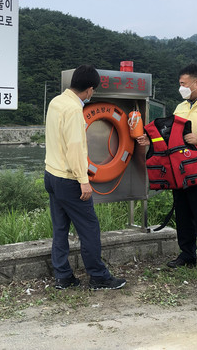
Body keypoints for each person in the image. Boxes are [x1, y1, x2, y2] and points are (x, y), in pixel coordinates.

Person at [137, 64, 197, 277]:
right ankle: (187, 255)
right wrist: (150, 140)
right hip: (178, 170)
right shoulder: (180, 107)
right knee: (182, 214)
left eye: (183, 84)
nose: (180, 87)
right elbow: (168, 136)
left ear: (196, 83)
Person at [44, 64, 126, 290]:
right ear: (89, 90)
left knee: (60, 229)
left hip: (51, 174)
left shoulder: (56, 102)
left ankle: (63, 276)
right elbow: (75, 148)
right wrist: (83, 180)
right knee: (89, 228)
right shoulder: (73, 110)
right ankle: (99, 277)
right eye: (93, 91)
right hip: (69, 180)